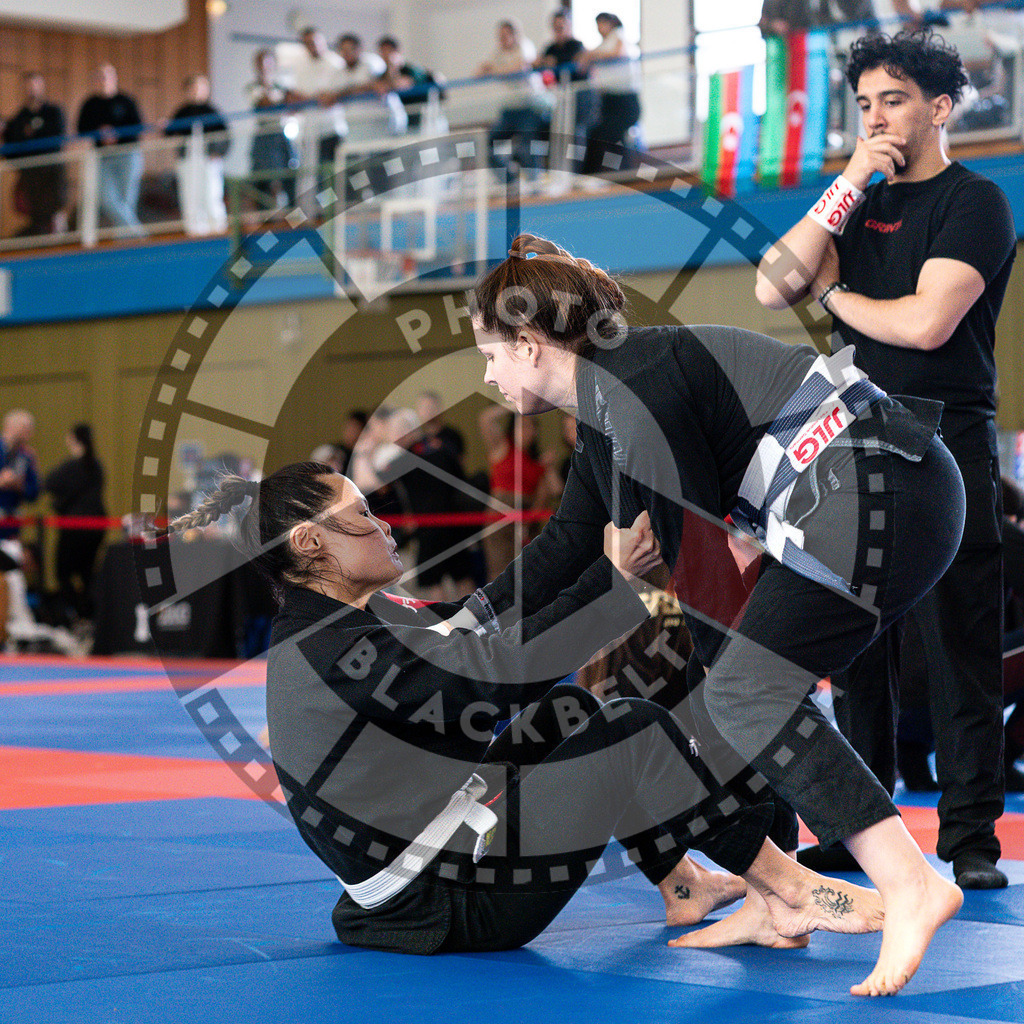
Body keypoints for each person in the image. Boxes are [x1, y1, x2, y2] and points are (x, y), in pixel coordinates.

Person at [471, 232, 967, 996]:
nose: (489, 375)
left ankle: (910, 883)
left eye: (492, 354)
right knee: (739, 688)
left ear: (531, 345)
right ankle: (779, 899)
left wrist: (712, 673)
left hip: (882, 491)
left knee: (738, 688)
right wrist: (468, 618)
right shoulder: (610, 397)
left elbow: (699, 573)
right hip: (877, 494)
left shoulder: (634, 395)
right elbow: (571, 542)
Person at [170, 463, 885, 966]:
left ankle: (685, 886)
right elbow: (497, 678)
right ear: (309, 544)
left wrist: (609, 575)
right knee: (625, 728)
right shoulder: (334, 649)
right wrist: (618, 589)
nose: (384, 525)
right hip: (448, 905)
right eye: (362, 516)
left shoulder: (361, 620)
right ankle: (789, 889)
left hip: (441, 854)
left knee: (573, 710)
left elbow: (492, 627)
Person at [754, 28, 1015, 891]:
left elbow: (925, 324)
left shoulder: (975, 201)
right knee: (853, 644)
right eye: (865, 103)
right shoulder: (855, 199)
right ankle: (853, 828)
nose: (876, 118)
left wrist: (833, 294)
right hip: (852, 437)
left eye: (894, 100)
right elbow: (770, 284)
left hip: (945, 429)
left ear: (940, 108)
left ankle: (970, 838)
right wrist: (847, 183)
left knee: (956, 642)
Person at [42, 423, 106, 624]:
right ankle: (89, 614)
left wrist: (58, 504)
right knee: (87, 573)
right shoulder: (96, 465)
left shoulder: (70, 467)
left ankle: (81, 613)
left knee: (63, 573)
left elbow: (48, 484)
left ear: (72, 438)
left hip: (75, 527)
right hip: (96, 527)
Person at [476, 20, 551, 181]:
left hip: (529, 108)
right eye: (500, 36)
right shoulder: (497, 53)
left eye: (505, 35)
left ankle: (535, 183)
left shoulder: (525, 46)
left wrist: (495, 70)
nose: (502, 40)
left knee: (527, 147)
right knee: (486, 145)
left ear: (514, 35)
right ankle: (510, 179)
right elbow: (478, 72)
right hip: (509, 110)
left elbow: (517, 68)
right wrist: (498, 69)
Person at [478, 407, 547, 581]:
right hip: (500, 517)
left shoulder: (537, 461)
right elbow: (485, 418)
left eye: (530, 427)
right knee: (499, 573)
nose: (526, 432)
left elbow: (546, 493)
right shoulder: (502, 446)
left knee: (527, 572)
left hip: (526, 519)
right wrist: (516, 405)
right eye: (521, 426)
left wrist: (530, 520)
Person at [76, 63, 144, 235]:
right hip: (102, 156)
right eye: (100, 77)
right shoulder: (90, 104)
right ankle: (139, 235)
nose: (104, 81)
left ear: (114, 78)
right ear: (95, 81)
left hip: (127, 154)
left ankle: (126, 241)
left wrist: (117, 135)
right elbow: (81, 129)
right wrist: (100, 134)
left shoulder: (126, 101)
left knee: (127, 199)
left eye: (107, 76)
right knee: (108, 199)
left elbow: (138, 128)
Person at [1, 71, 67, 237]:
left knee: (55, 210)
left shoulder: (53, 112)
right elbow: (13, 145)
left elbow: (57, 136)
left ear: (42, 87)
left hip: (52, 170)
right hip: (30, 173)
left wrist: (33, 135)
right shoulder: (19, 118)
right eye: (28, 86)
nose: (32, 89)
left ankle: (59, 243)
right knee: (36, 214)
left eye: (35, 85)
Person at [576, 13, 642, 177]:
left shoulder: (618, 36)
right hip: (609, 102)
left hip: (624, 101)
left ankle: (625, 174)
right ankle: (593, 175)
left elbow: (617, 52)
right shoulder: (602, 44)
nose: (599, 28)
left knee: (608, 135)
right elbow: (581, 63)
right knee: (598, 136)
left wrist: (592, 55)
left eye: (602, 23)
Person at [164, 75, 230, 236]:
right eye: (193, 88)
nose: (196, 92)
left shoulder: (213, 111)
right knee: (190, 194)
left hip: (208, 159)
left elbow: (225, 136)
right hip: (188, 159)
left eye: (200, 88)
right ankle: (194, 230)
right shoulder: (182, 111)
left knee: (211, 192)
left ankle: (217, 227)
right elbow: (169, 131)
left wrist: (218, 153)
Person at [285, 27, 347, 195]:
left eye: (314, 42)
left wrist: (310, 98)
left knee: (333, 175)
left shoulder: (335, 63)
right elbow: (301, 95)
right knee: (316, 178)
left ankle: (333, 212)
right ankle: (321, 214)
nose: (312, 47)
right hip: (311, 131)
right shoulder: (301, 66)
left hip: (332, 129)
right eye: (307, 44)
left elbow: (328, 96)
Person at [247, 49, 298, 210]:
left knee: (289, 175)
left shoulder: (281, 86)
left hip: (281, 136)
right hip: (264, 136)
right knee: (263, 179)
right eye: (261, 63)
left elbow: (293, 106)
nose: (265, 67)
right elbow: (264, 102)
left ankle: (291, 216)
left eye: (268, 62)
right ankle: (265, 221)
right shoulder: (253, 87)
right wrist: (283, 101)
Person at [377, 36, 445, 132]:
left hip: (423, 116)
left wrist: (393, 68)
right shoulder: (384, 74)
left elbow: (401, 84)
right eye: (383, 51)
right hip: (403, 120)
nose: (386, 55)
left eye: (389, 51)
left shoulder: (412, 69)